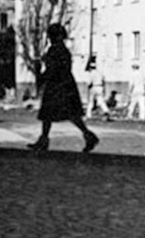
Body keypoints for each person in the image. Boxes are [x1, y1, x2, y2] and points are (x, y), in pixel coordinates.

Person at [28, 23, 99, 153]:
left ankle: (44, 140)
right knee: (69, 114)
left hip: (56, 86)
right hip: (66, 85)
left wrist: (40, 73)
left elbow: (52, 69)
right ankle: (88, 135)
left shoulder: (54, 50)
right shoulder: (63, 50)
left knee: (49, 114)